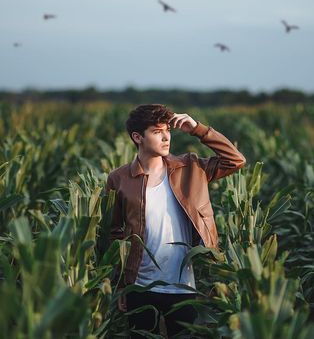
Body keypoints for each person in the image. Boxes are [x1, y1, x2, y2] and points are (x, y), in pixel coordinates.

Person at [105, 104, 246, 338]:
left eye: (167, 130)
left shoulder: (191, 168)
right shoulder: (119, 178)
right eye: (157, 131)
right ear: (138, 137)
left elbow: (235, 160)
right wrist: (121, 285)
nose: (166, 136)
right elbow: (115, 233)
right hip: (139, 286)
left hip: (182, 285)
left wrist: (198, 129)